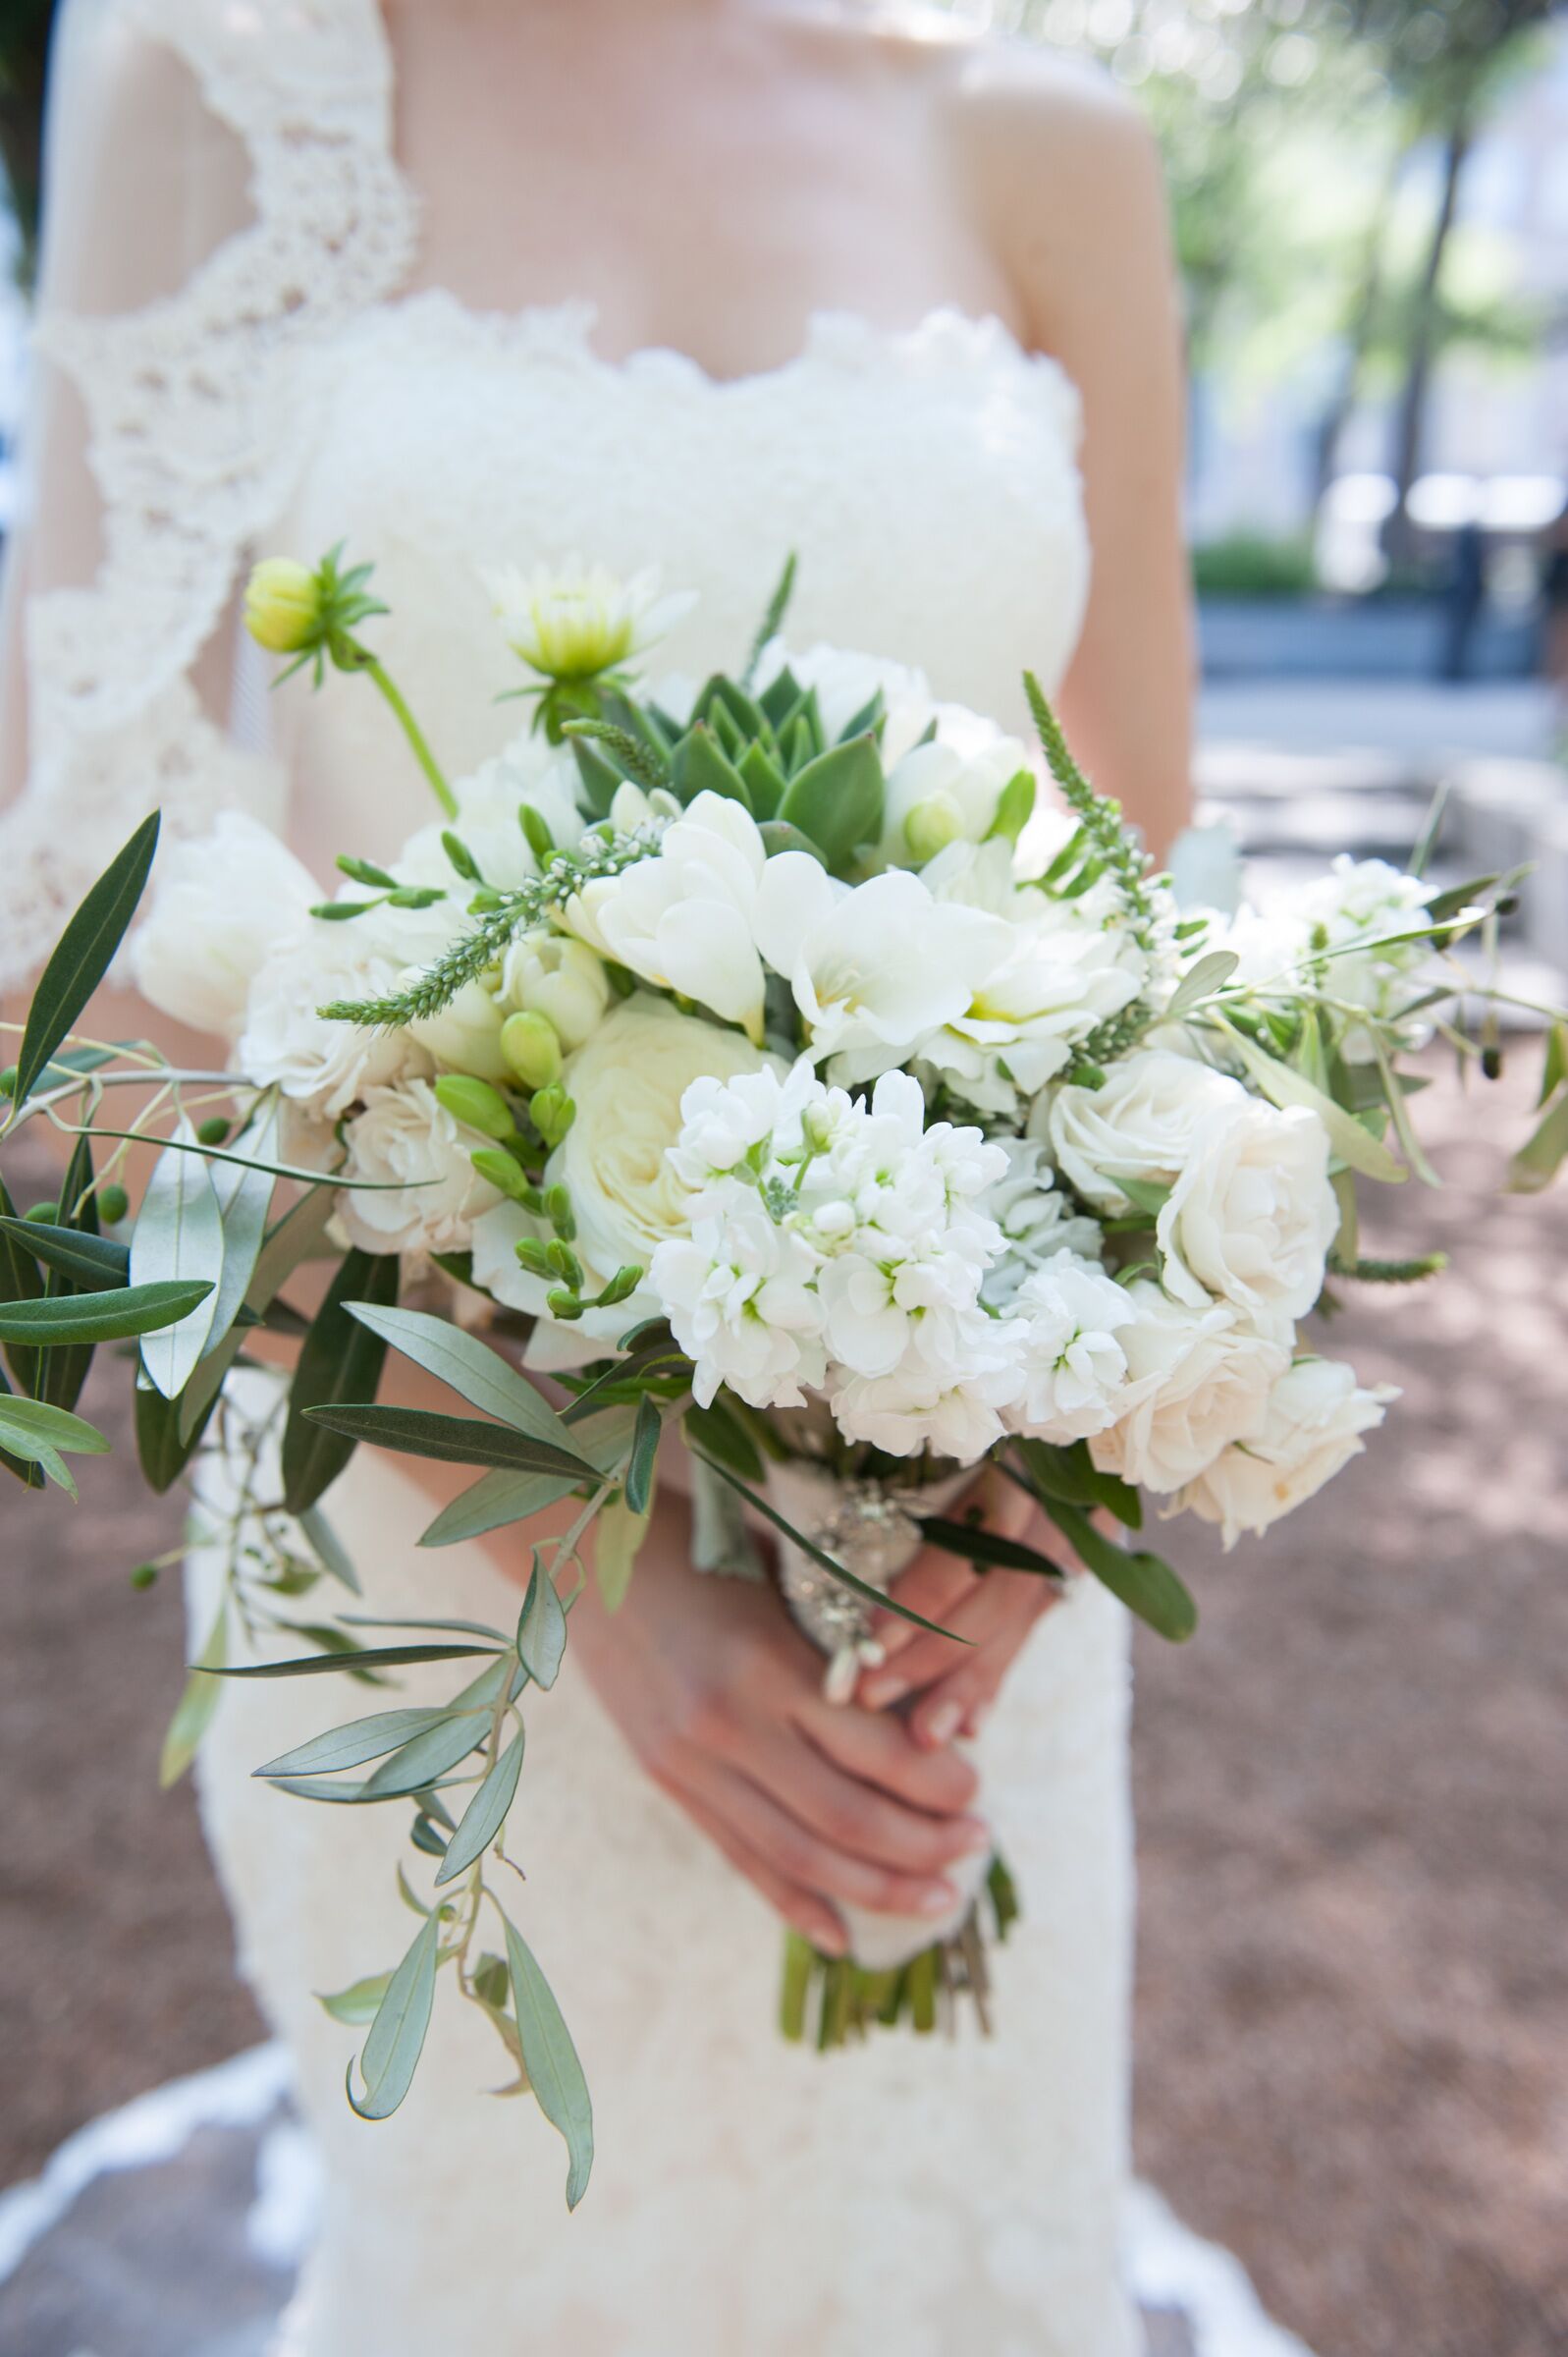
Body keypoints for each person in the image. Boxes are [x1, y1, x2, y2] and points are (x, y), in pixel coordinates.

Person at [0, 3, 1191, 2350]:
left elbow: (1145, 880)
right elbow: (71, 941)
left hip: (948, 1540)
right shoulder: (221, 73)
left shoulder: (1044, 139)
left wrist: (1063, 1466)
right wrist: (587, 1539)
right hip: (436, 1527)